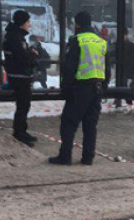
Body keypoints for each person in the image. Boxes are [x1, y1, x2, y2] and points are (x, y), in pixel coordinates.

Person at [49, 12, 110, 165]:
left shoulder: (77, 40)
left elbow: (69, 68)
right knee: (90, 125)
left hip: (80, 88)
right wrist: (104, 87)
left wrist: (66, 88)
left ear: (77, 24)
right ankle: (88, 158)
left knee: (69, 123)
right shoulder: (101, 42)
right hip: (96, 88)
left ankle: (65, 156)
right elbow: (107, 69)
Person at [3, 10, 38, 147]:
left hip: (19, 75)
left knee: (24, 105)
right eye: (28, 22)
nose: (29, 25)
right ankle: (19, 133)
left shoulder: (15, 36)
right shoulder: (15, 37)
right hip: (19, 77)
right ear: (22, 22)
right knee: (23, 105)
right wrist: (32, 55)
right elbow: (22, 58)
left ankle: (22, 131)